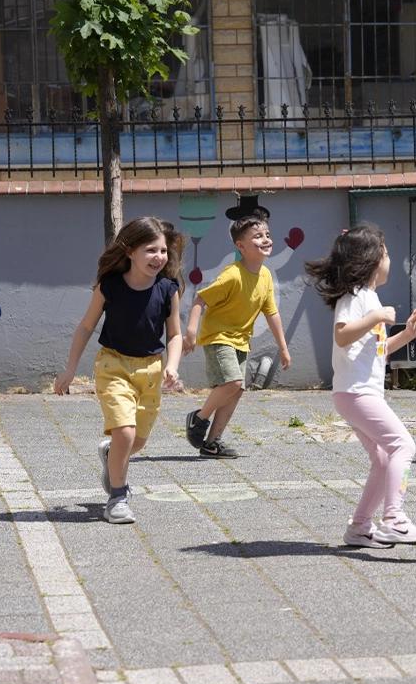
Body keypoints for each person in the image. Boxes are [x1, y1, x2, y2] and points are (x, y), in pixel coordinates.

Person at [304, 223, 416, 548]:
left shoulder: (369, 297)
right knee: (404, 446)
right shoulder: (356, 297)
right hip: (356, 393)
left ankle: (360, 528)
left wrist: (407, 335)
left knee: (382, 459)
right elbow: (342, 334)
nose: (389, 258)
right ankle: (394, 519)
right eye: (386, 253)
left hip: (356, 393)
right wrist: (377, 317)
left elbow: (376, 352)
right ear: (372, 260)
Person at [54, 217, 184, 524]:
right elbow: (86, 326)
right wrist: (70, 369)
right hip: (113, 364)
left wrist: (173, 367)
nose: (159, 257)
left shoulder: (168, 289)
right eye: (151, 250)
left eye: (163, 251)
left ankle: (111, 453)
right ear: (129, 252)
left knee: (135, 441)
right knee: (125, 431)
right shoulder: (110, 286)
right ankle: (118, 497)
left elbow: (175, 334)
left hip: (151, 369)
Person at [183, 214, 291, 458]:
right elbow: (201, 298)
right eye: (257, 236)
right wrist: (191, 331)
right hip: (218, 337)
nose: (265, 239)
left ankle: (212, 443)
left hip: (241, 340)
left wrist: (283, 348)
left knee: (237, 389)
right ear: (240, 246)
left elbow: (272, 313)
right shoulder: (232, 274)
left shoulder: (265, 276)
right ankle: (198, 419)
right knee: (232, 383)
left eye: (267, 235)